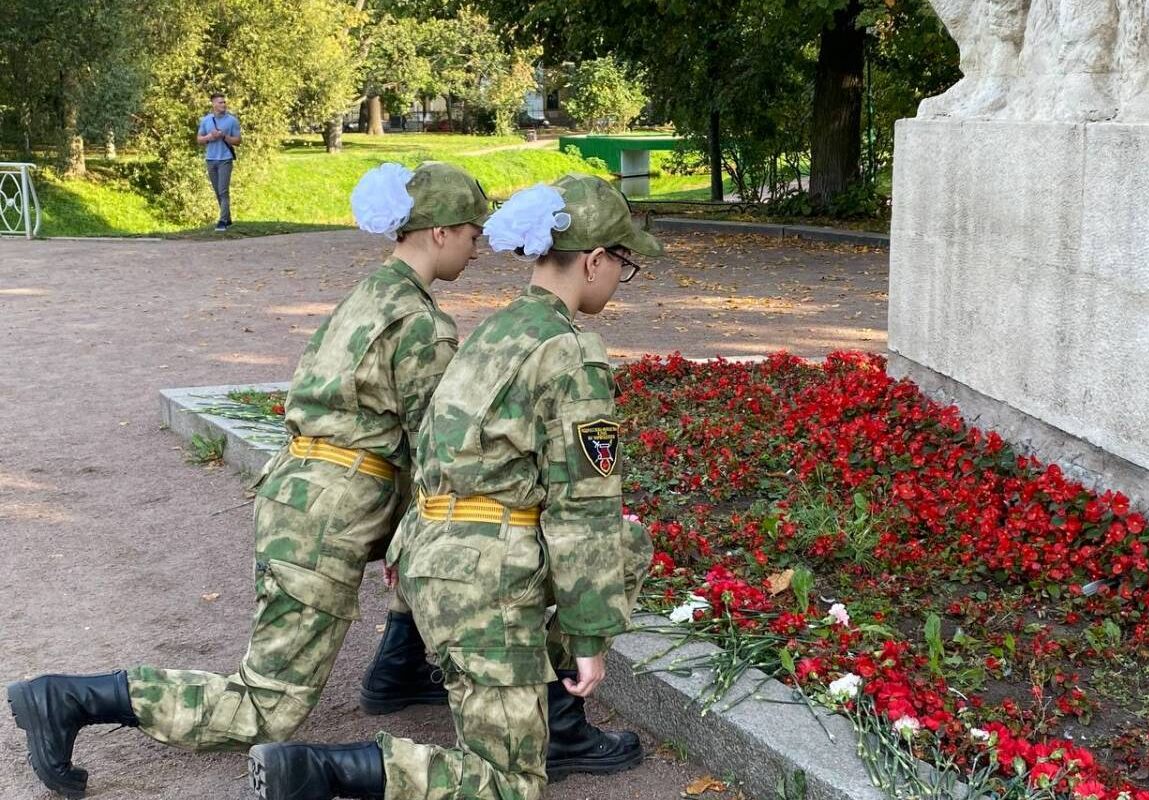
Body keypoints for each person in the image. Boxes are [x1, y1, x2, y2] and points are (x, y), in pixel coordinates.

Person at [6, 161, 490, 800]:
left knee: (406, 538)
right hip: (333, 509)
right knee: (266, 707)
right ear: (437, 232)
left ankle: (398, 671)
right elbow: (436, 449)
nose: (476, 246)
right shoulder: (421, 323)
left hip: (302, 489)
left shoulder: (371, 294)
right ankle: (71, 699)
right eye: (471, 232)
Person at [245, 173, 661, 800]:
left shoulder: (493, 331)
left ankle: (528, 712)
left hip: (432, 564)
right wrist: (589, 641)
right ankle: (321, 771)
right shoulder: (573, 353)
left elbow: (432, 449)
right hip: (487, 582)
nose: (620, 279)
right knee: (508, 784)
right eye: (622, 264)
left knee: (616, 548)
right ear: (595, 261)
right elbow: (583, 512)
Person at [196, 92, 242, 232]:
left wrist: (224, 136)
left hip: (225, 159)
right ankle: (228, 219)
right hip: (211, 159)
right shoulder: (206, 120)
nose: (223, 104)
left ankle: (222, 221)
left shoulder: (232, 120)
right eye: (220, 102)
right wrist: (210, 136)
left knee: (223, 190)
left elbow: (238, 141)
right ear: (213, 104)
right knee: (217, 191)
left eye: (224, 102)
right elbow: (199, 139)